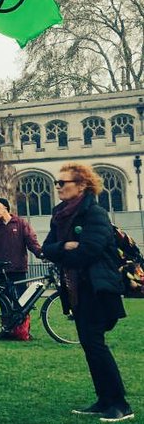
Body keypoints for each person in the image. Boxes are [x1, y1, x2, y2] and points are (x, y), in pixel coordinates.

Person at [41, 163, 132, 421]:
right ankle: (104, 400)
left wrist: (65, 252)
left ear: (81, 185)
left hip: (98, 288)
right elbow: (46, 248)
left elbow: (89, 251)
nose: (57, 186)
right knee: (90, 345)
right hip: (76, 290)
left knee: (95, 344)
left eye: (63, 182)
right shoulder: (60, 214)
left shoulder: (95, 213)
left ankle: (120, 403)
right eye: (57, 183)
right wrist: (65, 246)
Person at [0, 197, 42, 341]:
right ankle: (7, 330)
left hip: (18, 268)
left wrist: (40, 253)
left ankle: (22, 331)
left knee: (22, 301)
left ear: (6, 208)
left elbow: (31, 241)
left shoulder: (20, 223)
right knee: (4, 303)